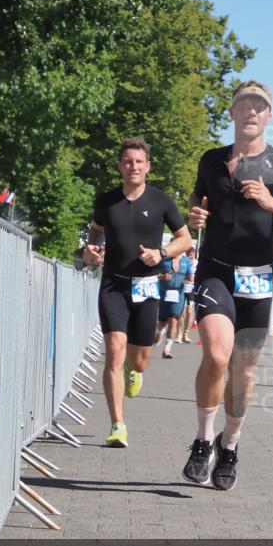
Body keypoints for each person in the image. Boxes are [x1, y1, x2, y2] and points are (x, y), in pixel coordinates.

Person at [181, 80, 273, 491]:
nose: (251, 112)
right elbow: (199, 199)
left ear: (268, 116)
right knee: (218, 354)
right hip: (215, 271)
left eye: (259, 107)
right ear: (232, 112)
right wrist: (195, 216)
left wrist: (271, 202)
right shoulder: (211, 160)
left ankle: (231, 445)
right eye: (244, 105)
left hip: (258, 278)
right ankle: (204, 440)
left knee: (243, 369)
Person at [84, 138, 192, 447]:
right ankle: (118, 424)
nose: (133, 166)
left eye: (138, 162)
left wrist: (162, 252)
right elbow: (96, 230)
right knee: (114, 352)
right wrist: (93, 247)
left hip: (147, 287)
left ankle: (135, 369)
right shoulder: (106, 201)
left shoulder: (162, 201)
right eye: (127, 161)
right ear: (120, 166)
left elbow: (185, 240)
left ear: (148, 167)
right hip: (113, 284)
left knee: (139, 360)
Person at [157, 249, 193, 358]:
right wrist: (161, 276)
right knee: (162, 321)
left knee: (173, 320)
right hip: (163, 293)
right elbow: (154, 274)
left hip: (179, 294)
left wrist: (191, 279)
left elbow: (190, 276)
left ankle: (167, 350)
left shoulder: (186, 261)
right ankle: (158, 333)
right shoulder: (164, 260)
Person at [179, 247, 198, 343]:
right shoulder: (183, 262)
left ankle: (185, 334)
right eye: (188, 255)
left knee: (190, 311)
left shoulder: (197, 264)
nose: (190, 257)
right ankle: (178, 333)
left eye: (191, 255)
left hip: (191, 289)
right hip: (182, 287)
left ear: (194, 255)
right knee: (181, 312)